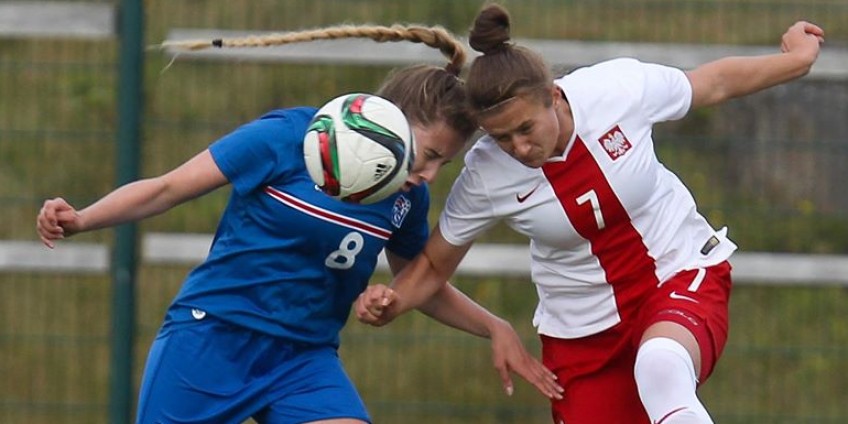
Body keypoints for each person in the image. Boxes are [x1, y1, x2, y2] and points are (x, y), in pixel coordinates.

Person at [36, 24, 560, 424]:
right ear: (386, 121)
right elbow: (166, 188)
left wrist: (491, 324)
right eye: (425, 155)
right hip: (215, 337)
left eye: (441, 165)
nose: (426, 175)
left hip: (303, 359)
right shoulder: (289, 139)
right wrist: (83, 218)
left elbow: (422, 282)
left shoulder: (404, 201)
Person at [355, 4, 825, 424]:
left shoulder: (617, 90)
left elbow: (713, 82)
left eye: (525, 128)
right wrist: (392, 302)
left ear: (554, 97)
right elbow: (435, 264)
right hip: (583, 331)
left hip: (679, 270)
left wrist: (796, 60)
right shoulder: (485, 175)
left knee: (660, 365)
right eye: (501, 138)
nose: (518, 147)